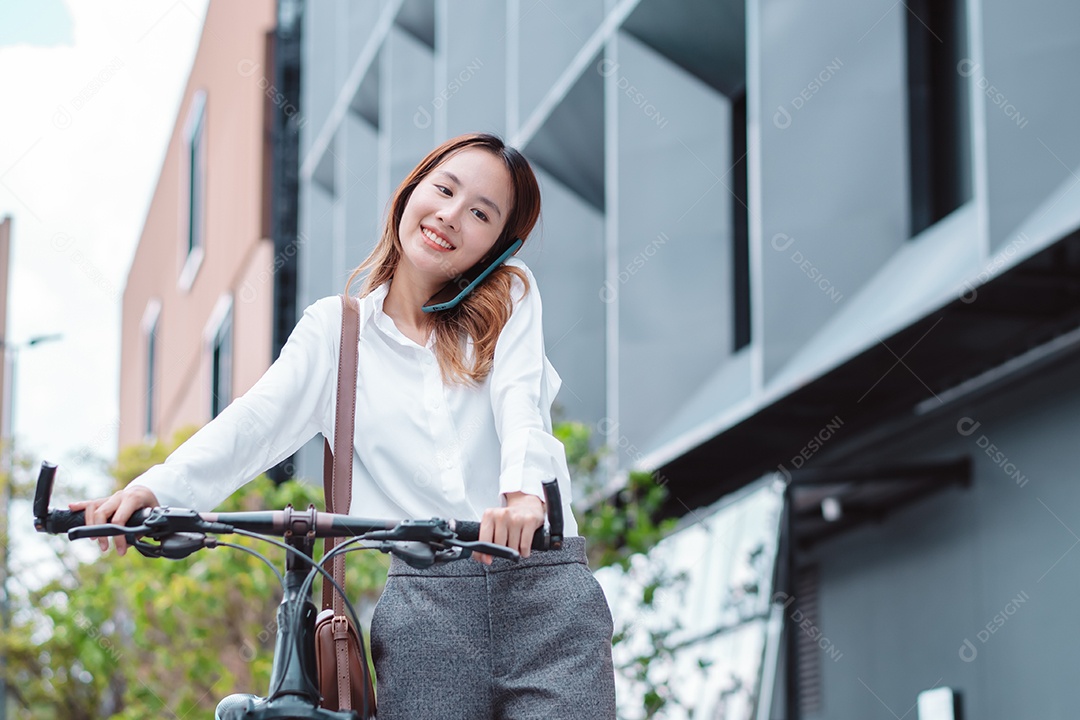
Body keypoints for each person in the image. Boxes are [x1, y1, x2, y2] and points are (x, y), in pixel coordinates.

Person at [70, 132, 617, 719]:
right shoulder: (335, 332)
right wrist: (152, 492)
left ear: (498, 245)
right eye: (445, 189)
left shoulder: (511, 295)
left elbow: (520, 404)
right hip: (427, 606)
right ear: (411, 191)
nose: (451, 216)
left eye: (481, 213)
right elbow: (253, 423)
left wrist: (522, 500)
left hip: (542, 588)